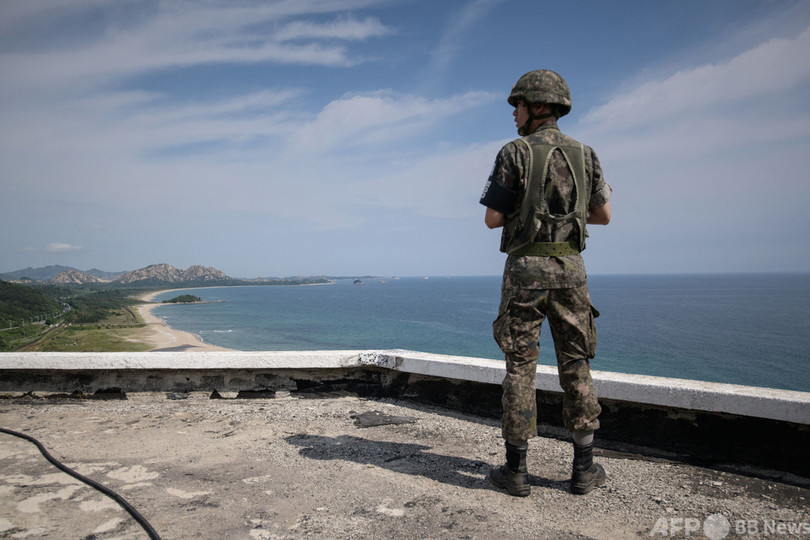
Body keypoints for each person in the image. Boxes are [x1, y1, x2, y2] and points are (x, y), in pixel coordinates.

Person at [479, 69, 612, 496]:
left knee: (521, 365)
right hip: (571, 271)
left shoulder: (513, 152)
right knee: (576, 362)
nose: (514, 114)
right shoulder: (586, 154)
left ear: (537, 107)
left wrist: (523, 211)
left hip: (524, 273)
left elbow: (492, 219)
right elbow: (602, 216)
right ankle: (583, 468)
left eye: (517, 105)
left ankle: (515, 471)